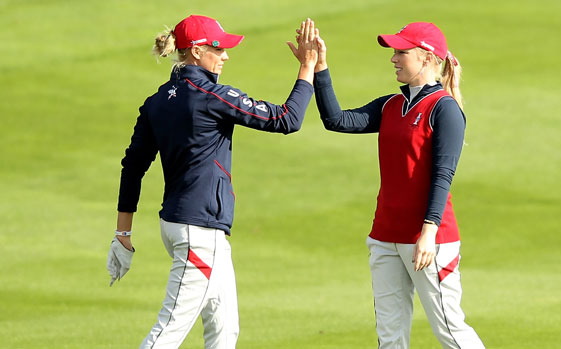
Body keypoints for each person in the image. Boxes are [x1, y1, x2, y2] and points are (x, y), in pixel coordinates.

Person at [106, 15, 318, 348]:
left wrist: (123, 234)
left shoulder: (156, 102)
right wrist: (308, 67)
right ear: (195, 51)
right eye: (218, 48)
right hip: (198, 234)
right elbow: (286, 119)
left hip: (182, 226)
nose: (225, 56)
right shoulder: (210, 94)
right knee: (167, 332)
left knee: (224, 330)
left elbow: (132, 169)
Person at [311, 22, 485, 348]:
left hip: (428, 239)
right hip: (385, 236)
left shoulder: (444, 109)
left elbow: (443, 174)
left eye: (401, 52)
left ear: (427, 57)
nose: (393, 58)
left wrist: (428, 232)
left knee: (449, 329)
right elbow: (337, 120)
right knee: (389, 337)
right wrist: (320, 68)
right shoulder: (391, 105)